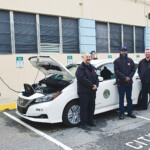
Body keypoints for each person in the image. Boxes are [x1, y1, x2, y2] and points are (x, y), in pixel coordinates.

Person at [75, 53, 99, 130]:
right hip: (84, 92)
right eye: (86, 57)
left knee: (91, 107)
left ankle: (90, 121)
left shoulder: (93, 68)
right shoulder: (80, 68)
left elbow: (97, 78)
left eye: (89, 57)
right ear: (83, 58)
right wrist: (92, 86)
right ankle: (83, 124)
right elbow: (82, 79)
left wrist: (96, 85)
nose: (88, 58)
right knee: (84, 108)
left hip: (92, 91)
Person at [114, 46, 136, 119]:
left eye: (125, 51)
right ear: (120, 51)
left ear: (126, 51)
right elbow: (116, 71)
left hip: (129, 83)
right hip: (121, 83)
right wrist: (124, 77)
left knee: (129, 98)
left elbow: (133, 69)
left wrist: (129, 77)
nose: (124, 52)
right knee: (121, 99)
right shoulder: (117, 61)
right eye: (122, 51)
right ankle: (121, 113)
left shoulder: (130, 60)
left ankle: (130, 112)